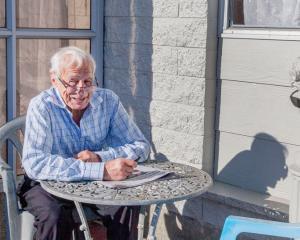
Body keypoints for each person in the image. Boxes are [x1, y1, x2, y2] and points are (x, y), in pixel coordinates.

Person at [18, 46, 150, 240]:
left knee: (127, 202)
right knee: (54, 216)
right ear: (55, 80)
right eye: (72, 82)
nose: (81, 90)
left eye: (87, 81)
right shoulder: (42, 106)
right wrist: (101, 170)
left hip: (94, 185)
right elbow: (35, 164)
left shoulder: (108, 101)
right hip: (46, 182)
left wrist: (99, 157)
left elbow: (140, 146)